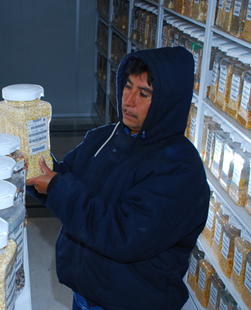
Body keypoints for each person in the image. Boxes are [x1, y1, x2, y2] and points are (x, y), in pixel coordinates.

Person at [26, 47, 210, 310]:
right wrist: (30, 166)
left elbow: (122, 233)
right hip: (86, 295)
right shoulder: (107, 136)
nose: (128, 100)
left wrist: (56, 187)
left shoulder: (180, 169)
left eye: (144, 94)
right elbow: (66, 177)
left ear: (167, 102)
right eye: (128, 86)